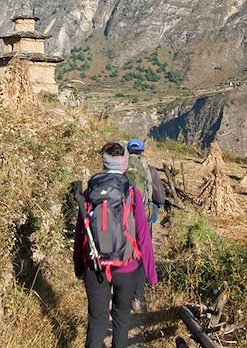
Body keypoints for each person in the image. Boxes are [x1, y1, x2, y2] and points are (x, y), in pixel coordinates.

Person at [73, 141, 157, 348]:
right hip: (126, 268)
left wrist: (79, 267)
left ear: (104, 163)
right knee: (121, 320)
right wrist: (150, 275)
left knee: (97, 321)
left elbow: (80, 233)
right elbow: (143, 238)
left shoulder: (89, 192)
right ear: (125, 164)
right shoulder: (132, 193)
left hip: (95, 266)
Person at [126, 138, 165, 313]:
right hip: (143, 219)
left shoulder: (122, 168)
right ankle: (137, 296)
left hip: (124, 218)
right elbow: (160, 198)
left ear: (128, 151)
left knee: (125, 252)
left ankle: (122, 292)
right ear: (142, 152)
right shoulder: (151, 170)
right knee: (142, 254)